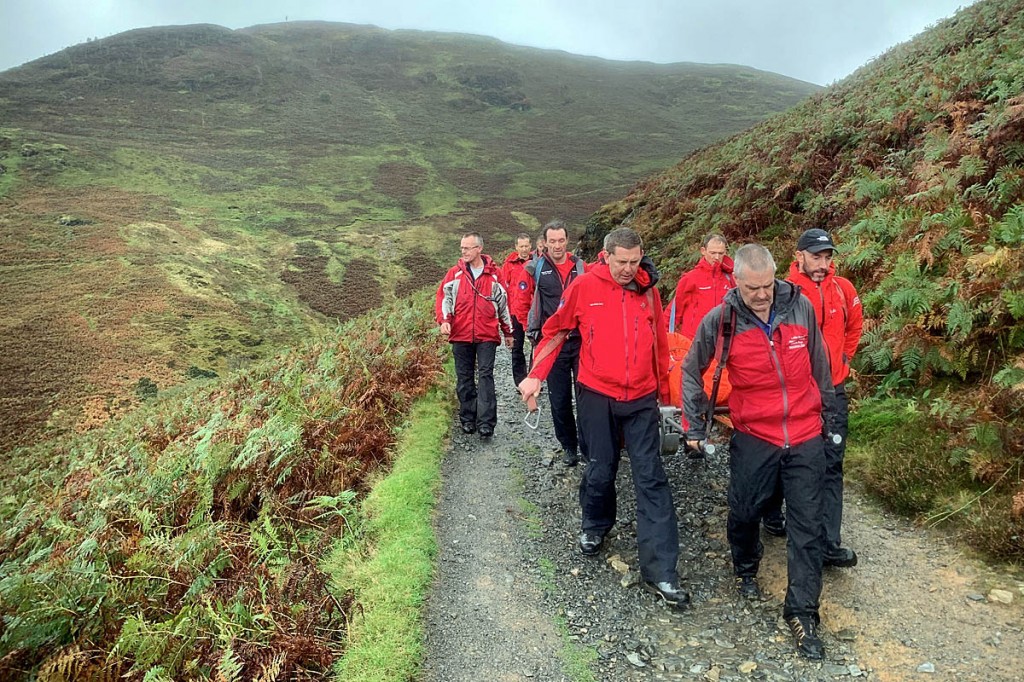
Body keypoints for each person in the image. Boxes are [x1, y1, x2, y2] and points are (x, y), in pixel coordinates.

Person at [518, 227, 689, 609]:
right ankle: (595, 525)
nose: (629, 269)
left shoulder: (649, 291)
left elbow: (660, 346)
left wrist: (667, 400)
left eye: (635, 262)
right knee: (600, 467)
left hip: (641, 398)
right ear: (606, 256)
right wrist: (535, 376)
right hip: (597, 394)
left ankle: (662, 571)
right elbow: (556, 331)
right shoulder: (584, 287)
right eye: (622, 262)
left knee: (651, 477)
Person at [682, 243, 837, 659]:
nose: (763, 294)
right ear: (736, 282)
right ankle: (746, 565)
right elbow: (691, 370)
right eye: (753, 288)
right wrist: (694, 425)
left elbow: (820, 365)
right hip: (755, 435)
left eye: (767, 285)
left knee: (808, 527)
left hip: (804, 433)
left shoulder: (800, 307)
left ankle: (802, 613)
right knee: (746, 510)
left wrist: (831, 418)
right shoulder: (722, 321)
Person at [786, 228, 863, 567]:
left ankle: (828, 543)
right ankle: (773, 517)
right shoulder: (784, 292)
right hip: (796, 394)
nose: (822, 264)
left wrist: (844, 357)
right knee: (790, 461)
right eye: (815, 257)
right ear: (799, 256)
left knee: (832, 463)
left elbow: (855, 325)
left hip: (833, 390)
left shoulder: (844, 289)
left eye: (827, 257)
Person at [518, 219, 588, 466]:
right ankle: (569, 446)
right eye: (552, 241)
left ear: (567, 241)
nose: (557, 246)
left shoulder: (581, 268)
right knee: (559, 399)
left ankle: (589, 446)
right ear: (544, 243)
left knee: (586, 398)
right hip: (553, 344)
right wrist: (531, 331)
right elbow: (521, 302)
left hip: (581, 343)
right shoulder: (534, 268)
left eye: (561, 240)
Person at [435, 232, 514, 440]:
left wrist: (508, 332)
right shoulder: (454, 274)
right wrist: (445, 321)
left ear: (479, 249)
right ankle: (468, 418)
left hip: (487, 334)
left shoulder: (495, 275)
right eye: (462, 248)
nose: (463, 251)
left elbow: (504, 304)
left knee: (486, 375)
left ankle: (486, 423)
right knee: (464, 377)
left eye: (467, 248)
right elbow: (444, 298)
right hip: (460, 334)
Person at [666, 233, 735, 339]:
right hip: (694, 339)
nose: (717, 257)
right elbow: (673, 312)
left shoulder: (731, 279)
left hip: (722, 340)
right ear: (703, 251)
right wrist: (664, 338)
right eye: (713, 253)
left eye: (721, 253)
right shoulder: (691, 278)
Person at [502, 233, 534, 387]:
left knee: (536, 346)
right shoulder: (508, 265)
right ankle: (520, 382)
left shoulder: (537, 262)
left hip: (533, 312)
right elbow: (503, 289)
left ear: (531, 246)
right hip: (515, 312)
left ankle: (534, 378)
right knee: (517, 347)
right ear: (516, 247)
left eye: (527, 246)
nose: (524, 249)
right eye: (521, 246)